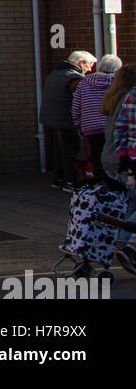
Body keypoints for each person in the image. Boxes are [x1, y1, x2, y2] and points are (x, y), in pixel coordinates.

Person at [39, 50, 96, 191]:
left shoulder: (55, 74)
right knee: (71, 150)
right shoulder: (74, 78)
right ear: (81, 63)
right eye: (89, 65)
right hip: (67, 120)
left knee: (60, 149)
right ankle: (71, 181)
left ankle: (58, 179)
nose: (90, 69)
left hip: (53, 120)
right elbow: (81, 100)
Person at [101, 63, 136, 275]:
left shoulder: (126, 96)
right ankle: (125, 245)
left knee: (129, 203)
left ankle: (124, 243)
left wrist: (125, 157)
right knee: (131, 205)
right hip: (124, 161)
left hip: (120, 158)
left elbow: (120, 128)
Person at [71, 55, 122, 181]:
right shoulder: (118, 85)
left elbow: (76, 106)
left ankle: (99, 181)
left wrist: (79, 126)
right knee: (114, 153)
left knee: (96, 152)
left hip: (91, 125)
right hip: (112, 126)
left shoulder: (84, 82)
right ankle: (112, 181)